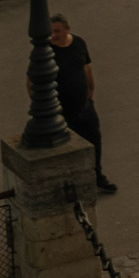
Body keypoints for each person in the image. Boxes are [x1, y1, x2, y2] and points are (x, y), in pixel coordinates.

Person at [47, 14, 117, 194]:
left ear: (67, 29)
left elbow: (87, 68)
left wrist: (90, 95)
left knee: (94, 141)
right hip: (61, 111)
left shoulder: (78, 43)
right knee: (66, 150)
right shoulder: (46, 51)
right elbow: (31, 81)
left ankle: (97, 176)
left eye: (57, 31)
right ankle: (71, 184)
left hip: (84, 106)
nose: (53, 35)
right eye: (51, 31)